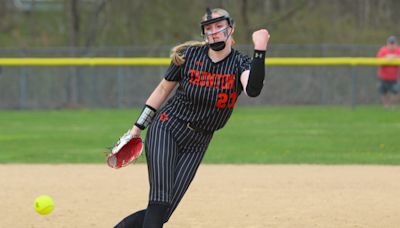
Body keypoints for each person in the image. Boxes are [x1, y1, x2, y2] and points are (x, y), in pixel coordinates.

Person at [114, 8, 270, 228]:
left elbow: (253, 89)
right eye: (209, 28)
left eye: (218, 26)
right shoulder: (189, 56)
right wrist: (137, 128)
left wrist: (260, 50)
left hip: (198, 142)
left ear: (230, 28)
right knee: (159, 201)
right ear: (204, 33)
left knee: (164, 211)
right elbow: (161, 91)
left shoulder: (240, 63)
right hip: (168, 128)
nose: (214, 32)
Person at [376, 35, 400, 110]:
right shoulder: (383, 50)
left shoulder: (398, 50)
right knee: (384, 92)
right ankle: (385, 106)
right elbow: (378, 59)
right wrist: (386, 57)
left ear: (396, 43)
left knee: (395, 92)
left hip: (395, 77)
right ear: (387, 43)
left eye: (393, 43)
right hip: (383, 76)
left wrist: (394, 57)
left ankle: (394, 107)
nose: (392, 45)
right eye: (390, 43)